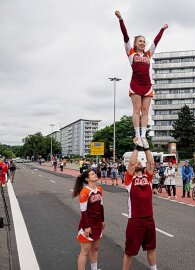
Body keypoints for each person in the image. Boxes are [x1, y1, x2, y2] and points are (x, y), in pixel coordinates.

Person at [115, 10, 168, 149]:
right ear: (135, 43)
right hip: (136, 85)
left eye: (144, 41)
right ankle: (137, 135)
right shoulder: (131, 53)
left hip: (147, 86)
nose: (143, 43)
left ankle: (144, 136)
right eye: (140, 41)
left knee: (145, 111)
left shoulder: (148, 54)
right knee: (136, 110)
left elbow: (156, 41)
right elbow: (125, 36)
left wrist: (162, 29)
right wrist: (121, 19)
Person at [123, 146, 157, 270]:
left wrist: (146, 147)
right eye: (136, 161)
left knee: (151, 248)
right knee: (130, 251)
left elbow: (151, 161)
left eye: (139, 161)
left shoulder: (148, 177)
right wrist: (136, 147)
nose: (137, 162)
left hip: (149, 218)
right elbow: (131, 164)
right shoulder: (129, 179)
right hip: (135, 219)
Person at [72, 170, 104, 270]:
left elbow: (101, 206)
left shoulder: (99, 189)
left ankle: (94, 268)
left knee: (95, 248)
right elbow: (83, 211)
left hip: (98, 223)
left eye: (95, 173)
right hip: (88, 224)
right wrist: (86, 226)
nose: (95, 175)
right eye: (92, 174)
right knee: (85, 251)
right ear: (87, 179)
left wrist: (102, 220)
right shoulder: (84, 191)